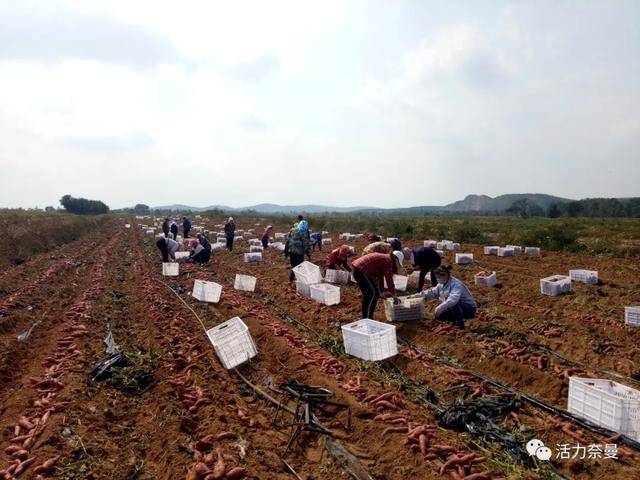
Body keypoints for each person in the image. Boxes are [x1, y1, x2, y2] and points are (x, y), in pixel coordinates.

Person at [351, 251, 403, 319]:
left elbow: (380, 276)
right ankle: (368, 318)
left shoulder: (385, 258)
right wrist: (394, 296)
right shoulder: (388, 260)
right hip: (361, 270)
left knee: (368, 295)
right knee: (373, 294)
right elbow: (389, 280)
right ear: (395, 259)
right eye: (397, 263)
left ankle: (366, 317)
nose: (396, 265)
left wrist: (381, 291)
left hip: (357, 269)